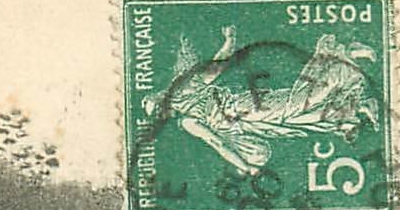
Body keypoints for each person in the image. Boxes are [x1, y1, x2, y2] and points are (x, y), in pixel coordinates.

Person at [144, 28, 380, 176]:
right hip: (250, 123)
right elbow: (217, 141)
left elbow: (216, 68)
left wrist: (230, 41)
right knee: (302, 120)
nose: (161, 114)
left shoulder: (183, 93)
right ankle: (357, 107)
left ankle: (343, 56)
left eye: (157, 107)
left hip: (245, 109)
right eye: (157, 115)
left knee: (299, 104)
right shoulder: (185, 120)